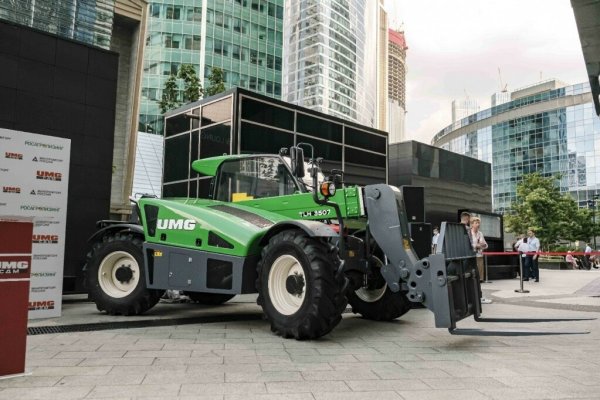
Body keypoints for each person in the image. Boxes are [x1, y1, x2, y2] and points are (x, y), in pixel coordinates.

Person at [470, 216, 488, 282]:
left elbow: (486, 245)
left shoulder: (480, 233)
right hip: (471, 255)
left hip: (479, 255)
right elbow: (468, 244)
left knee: (480, 275)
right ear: (472, 224)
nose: (478, 224)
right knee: (472, 273)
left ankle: (480, 281)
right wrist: (476, 246)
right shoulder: (469, 233)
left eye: (479, 223)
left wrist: (483, 245)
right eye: (476, 223)